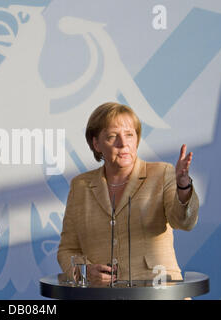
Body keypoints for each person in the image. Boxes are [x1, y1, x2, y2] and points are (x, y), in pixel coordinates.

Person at [57, 102, 199, 285]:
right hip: (102, 296)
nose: (123, 143)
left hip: (158, 293)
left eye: (129, 135)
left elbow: (184, 222)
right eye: (112, 136)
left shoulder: (162, 174)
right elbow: (67, 249)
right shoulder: (80, 186)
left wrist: (183, 185)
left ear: (137, 139)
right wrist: (84, 272)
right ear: (96, 143)